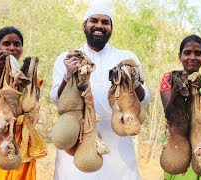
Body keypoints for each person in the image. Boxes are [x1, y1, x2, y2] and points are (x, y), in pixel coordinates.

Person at [50, 5, 150, 180]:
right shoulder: (68, 58)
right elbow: (57, 100)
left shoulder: (125, 57)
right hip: (77, 141)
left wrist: (134, 81)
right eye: (94, 20)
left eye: (105, 22)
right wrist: (68, 75)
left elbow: (143, 100)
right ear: (84, 25)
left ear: (111, 28)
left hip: (118, 144)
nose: (99, 26)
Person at [0, 26, 46, 180]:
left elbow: (30, 110)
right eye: (6, 44)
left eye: (17, 44)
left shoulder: (31, 78)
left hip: (20, 139)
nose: (12, 48)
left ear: (22, 49)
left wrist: (26, 80)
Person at [160, 34, 201, 180]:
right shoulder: (171, 78)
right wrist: (179, 88)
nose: (192, 57)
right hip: (177, 146)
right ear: (180, 56)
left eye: (198, 53)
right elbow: (168, 113)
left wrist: (198, 92)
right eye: (187, 52)